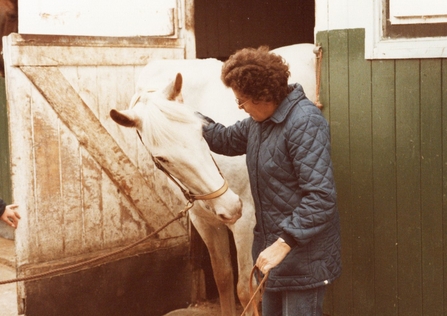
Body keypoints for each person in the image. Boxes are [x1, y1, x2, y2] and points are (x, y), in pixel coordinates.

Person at [200, 46, 341, 315]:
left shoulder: (305, 122)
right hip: (273, 255)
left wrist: (283, 243)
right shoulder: (259, 123)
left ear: (263, 95)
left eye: (242, 101)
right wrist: (182, 117)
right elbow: (224, 139)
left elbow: (321, 197)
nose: (240, 107)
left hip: (302, 255)